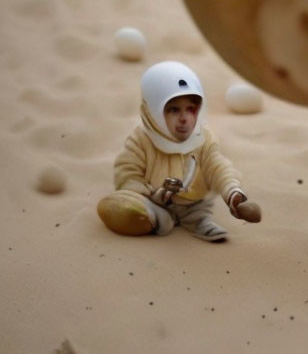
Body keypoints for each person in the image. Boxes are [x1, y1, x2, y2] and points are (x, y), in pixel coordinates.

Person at [97, 61, 260, 242]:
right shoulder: (141, 140)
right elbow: (127, 173)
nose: (184, 119)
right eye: (173, 110)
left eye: (190, 109)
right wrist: (154, 194)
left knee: (200, 211)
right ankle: (157, 218)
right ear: (153, 112)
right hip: (154, 200)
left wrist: (232, 192)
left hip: (193, 203)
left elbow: (218, 167)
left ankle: (198, 222)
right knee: (143, 210)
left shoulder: (203, 139)